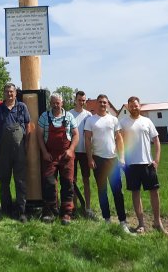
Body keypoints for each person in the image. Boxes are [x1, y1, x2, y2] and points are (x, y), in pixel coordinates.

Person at [119, 96, 168, 235]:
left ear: (140, 106)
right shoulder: (123, 123)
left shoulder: (147, 121)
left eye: (136, 105)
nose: (134, 107)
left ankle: (158, 222)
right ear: (128, 107)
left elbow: (156, 141)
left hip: (148, 164)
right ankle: (141, 224)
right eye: (131, 106)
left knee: (154, 192)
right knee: (136, 193)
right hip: (131, 165)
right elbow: (119, 142)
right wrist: (121, 158)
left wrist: (156, 160)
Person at [84, 93, 131, 234]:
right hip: (98, 159)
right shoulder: (91, 121)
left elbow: (119, 139)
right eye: (100, 102)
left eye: (105, 102)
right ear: (96, 104)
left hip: (112, 159)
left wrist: (121, 157)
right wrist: (89, 159)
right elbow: (87, 140)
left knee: (118, 191)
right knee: (102, 191)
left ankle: (123, 222)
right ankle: (107, 219)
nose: (103, 104)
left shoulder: (113, 119)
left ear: (107, 104)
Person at [0, 82, 30, 222]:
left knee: (20, 181)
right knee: (4, 180)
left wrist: (27, 146)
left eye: (11, 91)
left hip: (20, 150)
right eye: (7, 91)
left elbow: (28, 128)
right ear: (4, 93)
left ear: (15, 93)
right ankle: (6, 209)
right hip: (3, 150)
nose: (9, 94)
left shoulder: (22, 107)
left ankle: (21, 210)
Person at [36, 92, 78, 225]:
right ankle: (50, 212)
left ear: (62, 103)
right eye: (53, 103)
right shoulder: (44, 116)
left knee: (68, 184)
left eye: (57, 103)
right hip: (50, 155)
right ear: (50, 103)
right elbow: (39, 136)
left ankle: (66, 213)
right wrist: (44, 152)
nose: (55, 105)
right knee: (49, 183)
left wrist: (71, 150)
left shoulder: (69, 116)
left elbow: (76, 135)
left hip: (66, 156)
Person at [69, 90, 95, 218]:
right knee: (72, 181)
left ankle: (87, 207)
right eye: (80, 100)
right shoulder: (69, 114)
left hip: (85, 152)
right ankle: (72, 207)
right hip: (73, 151)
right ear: (75, 100)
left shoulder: (88, 115)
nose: (82, 102)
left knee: (86, 180)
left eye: (84, 100)